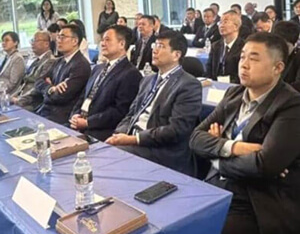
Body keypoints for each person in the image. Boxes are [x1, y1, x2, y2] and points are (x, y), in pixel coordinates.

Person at [190, 32, 300, 234]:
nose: (244, 64)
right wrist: (233, 147)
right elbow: (195, 138)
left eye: (254, 58)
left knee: (208, 232)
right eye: (242, 57)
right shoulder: (234, 95)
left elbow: (264, 165)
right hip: (216, 185)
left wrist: (216, 160)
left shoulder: (291, 105)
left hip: (258, 199)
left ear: (278, 68)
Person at [106, 30, 202, 176]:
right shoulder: (147, 80)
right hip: (133, 138)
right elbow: (131, 114)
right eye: (154, 45)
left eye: (161, 46)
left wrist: (134, 139)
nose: (155, 50)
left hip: (162, 150)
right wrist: (118, 134)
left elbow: (176, 130)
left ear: (176, 55)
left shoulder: (188, 85)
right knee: (103, 149)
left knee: (112, 158)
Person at [69, 25, 142, 141]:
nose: (102, 43)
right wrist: (75, 115)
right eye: (102, 40)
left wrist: (87, 122)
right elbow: (83, 96)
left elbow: (120, 111)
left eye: (107, 40)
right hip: (79, 125)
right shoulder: (98, 68)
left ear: (122, 44)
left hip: (100, 131)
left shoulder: (131, 74)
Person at [35, 24, 91, 124]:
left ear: (75, 41)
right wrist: (51, 89)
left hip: (61, 116)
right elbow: (38, 82)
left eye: (63, 37)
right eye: (58, 37)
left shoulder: (81, 65)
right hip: (44, 110)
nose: (58, 40)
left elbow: (61, 96)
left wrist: (49, 86)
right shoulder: (59, 61)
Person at [11, 31, 55, 111]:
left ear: (46, 44)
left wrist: (20, 100)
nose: (32, 43)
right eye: (32, 41)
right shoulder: (36, 59)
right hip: (21, 95)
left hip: (33, 102)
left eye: (35, 41)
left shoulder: (50, 61)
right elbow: (24, 82)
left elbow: (39, 85)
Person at [206, 10, 244, 83]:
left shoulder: (243, 47)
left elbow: (242, 75)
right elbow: (209, 69)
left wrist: (223, 81)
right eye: (220, 22)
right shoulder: (215, 46)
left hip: (235, 87)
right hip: (215, 86)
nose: (221, 25)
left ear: (236, 26)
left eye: (225, 22)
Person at [274, 21, 300, 92]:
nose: (282, 49)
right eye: (278, 45)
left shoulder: (297, 57)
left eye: (286, 46)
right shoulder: (271, 54)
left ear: (294, 44)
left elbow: (298, 85)